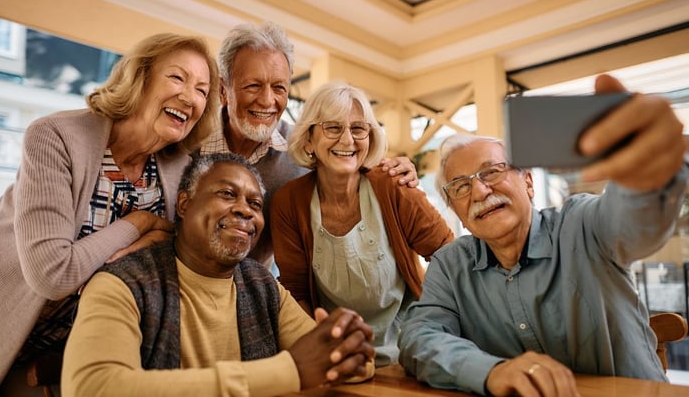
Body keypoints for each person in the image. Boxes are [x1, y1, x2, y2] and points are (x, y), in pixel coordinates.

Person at [0, 33, 221, 396]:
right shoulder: (56, 135)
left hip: (50, 340)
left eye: (202, 90)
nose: (189, 97)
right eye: (177, 78)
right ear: (140, 78)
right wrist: (140, 224)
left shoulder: (179, 173)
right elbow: (53, 273)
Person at [398, 74, 689, 397]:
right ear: (456, 210)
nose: (479, 190)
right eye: (461, 186)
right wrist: (491, 371)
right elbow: (418, 337)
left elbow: (634, 223)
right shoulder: (451, 265)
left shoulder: (582, 225)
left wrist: (648, 176)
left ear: (527, 182)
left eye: (491, 172)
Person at [61, 153, 375, 397]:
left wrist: (350, 347)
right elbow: (92, 388)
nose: (246, 210)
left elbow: (333, 361)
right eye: (227, 194)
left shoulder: (262, 284)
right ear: (184, 204)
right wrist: (289, 370)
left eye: (255, 203)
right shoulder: (121, 284)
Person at [198, 21, 418, 267]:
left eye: (279, 87)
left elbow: (352, 166)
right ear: (223, 90)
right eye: (253, 86)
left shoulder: (304, 147)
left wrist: (397, 171)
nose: (267, 100)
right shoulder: (187, 143)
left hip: (255, 290)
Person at [271, 81, 455, 367]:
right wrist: (324, 351)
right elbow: (296, 292)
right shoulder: (288, 202)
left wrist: (430, 324)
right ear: (308, 139)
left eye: (358, 128)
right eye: (332, 128)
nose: (348, 140)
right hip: (337, 355)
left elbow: (449, 256)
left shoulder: (393, 184)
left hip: (410, 352)